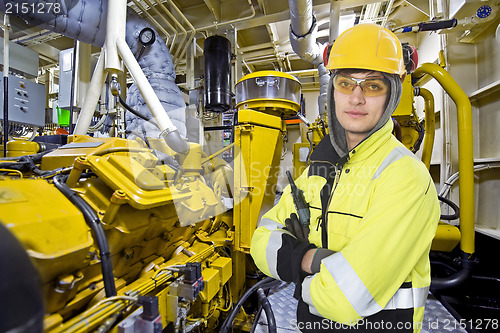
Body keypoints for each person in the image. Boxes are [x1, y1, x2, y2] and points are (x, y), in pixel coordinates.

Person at [250, 23, 440, 332]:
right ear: (332, 91)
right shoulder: (317, 172)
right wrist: (311, 260)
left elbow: (343, 300)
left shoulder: (405, 177)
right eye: (345, 83)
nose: (356, 98)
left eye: (374, 85)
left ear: (392, 95)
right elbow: (261, 243)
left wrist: (301, 282)